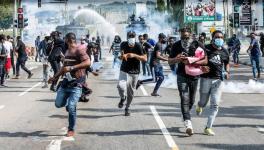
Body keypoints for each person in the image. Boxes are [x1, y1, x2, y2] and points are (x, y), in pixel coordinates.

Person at [48, 32, 90, 137]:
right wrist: (54, 77)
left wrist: (72, 68)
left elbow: (88, 62)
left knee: (71, 107)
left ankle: (71, 129)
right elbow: (63, 68)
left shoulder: (79, 50)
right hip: (65, 84)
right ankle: (68, 102)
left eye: (65, 40)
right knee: (58, 104)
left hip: (76, 84)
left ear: (68, 40)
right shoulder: (67, 51)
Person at [168, 28, 207, 136]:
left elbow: (205, 60)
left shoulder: (197, 44)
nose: (185, 39)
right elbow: (170, 60)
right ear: (180, 36)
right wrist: (178, 59)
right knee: (184, 98)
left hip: (194, 75)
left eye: (186, 37)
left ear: (190, 35)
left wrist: (192, 60)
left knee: (192, 100)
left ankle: (185, 114)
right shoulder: (176, 45)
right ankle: (188, 123)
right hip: (181, 75)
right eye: (182, 37)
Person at [196, 30, 230, 136]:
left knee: (215, 105)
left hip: (218, 80)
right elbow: (195, 61)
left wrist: (227, 71)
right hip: (205, 79)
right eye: (217, 37)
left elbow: (227, 63)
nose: (219, 39)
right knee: (203, 102)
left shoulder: (225, 51)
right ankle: (199, 105)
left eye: (221, 37)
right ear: (213, 38)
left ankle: (208, 128)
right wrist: (201, 67)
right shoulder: (205, 49)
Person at [117, 31, 147, 116]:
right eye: (129, 36)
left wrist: (134, 55)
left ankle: (127, 108)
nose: (131, 37)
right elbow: (121, 55)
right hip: (124, 70)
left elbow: (145, 59)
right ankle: (123, 98)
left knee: (131, 92)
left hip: (134, 72)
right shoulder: (123, 44)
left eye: (133, 36)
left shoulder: (139, 46)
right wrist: (122, 56)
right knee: (120, 86)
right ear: (127, 37)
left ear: (135, 37)